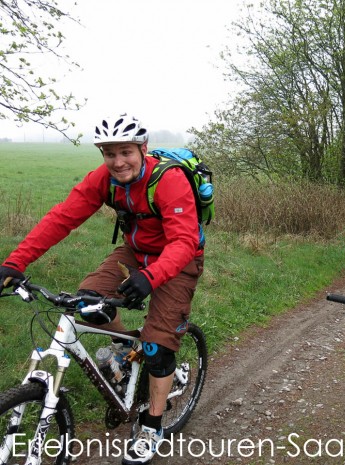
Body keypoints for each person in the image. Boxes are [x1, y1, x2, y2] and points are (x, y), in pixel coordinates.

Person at [0, 114, 204, 465]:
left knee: (157, 346)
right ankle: (126, 348)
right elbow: (62, 218)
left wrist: (150, 277)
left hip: (179, 258)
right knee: (88, 301)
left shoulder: (168, 181)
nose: (117, 161)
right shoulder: (104, 180)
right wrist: (14, 263)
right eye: (109, 153)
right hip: (134, 253)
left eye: (125, 151)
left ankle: (152, 425)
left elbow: (184, 241)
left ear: (143, 149)